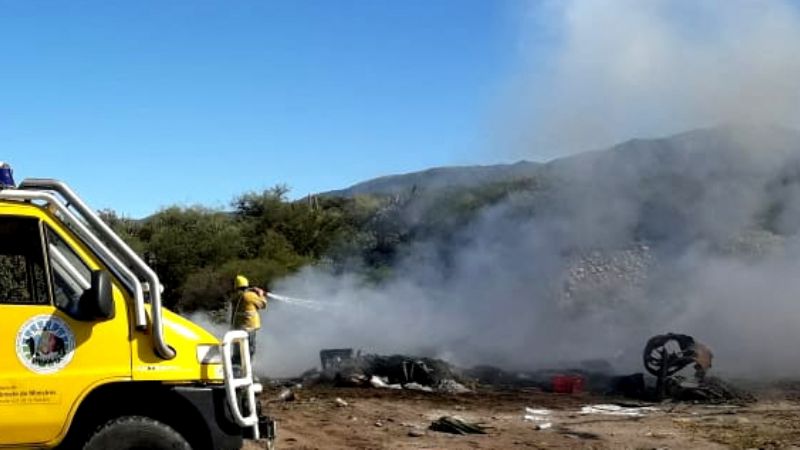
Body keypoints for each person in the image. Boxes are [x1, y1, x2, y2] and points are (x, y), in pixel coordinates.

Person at [230, 275, 268, 361]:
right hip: (249, 327)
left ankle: (235, 366)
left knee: (238, 350)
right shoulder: (250, 296)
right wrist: (261, 294)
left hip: (237, 327)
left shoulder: (235, 296)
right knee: (249, 349)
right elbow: (263, 305)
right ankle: (246, 366)